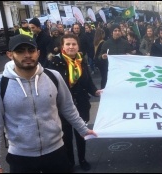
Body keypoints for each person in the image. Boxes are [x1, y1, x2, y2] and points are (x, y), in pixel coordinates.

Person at [0, 35, 97, 173]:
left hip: (56, 152)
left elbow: (68, 107)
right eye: (20, 51)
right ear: (9, 54)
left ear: (37, 53)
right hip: (21, 157)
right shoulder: (0, 85)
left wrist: (83, 129)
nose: (27, 55)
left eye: (31, 50)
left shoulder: (53, 77)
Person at [47, 34, 103, 171]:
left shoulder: (81, 61)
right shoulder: (54, 63)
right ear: (62, 47)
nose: (71, 47)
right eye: (68, 44)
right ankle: (70, 162)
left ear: (78, 46)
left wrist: (95, 91)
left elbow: (88, 80)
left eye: (73, 44)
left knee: (82, 133)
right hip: (62, 106)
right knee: (65, 135)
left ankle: (83, 159)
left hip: (81, 103)